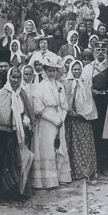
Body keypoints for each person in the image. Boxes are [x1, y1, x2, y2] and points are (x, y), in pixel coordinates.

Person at [0, 67, 35, 197]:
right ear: (8, 77)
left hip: (21, 133)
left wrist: (26, 118)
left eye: (18, 77)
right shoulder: (2, 93)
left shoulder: (22, 93)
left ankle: (20, 191)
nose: (15, 80)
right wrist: (9, 122)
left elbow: (28, 110)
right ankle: (5, 192)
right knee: (7, 162)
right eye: (13, 77)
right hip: (7, 134)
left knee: (20, 161)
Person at [82, 41, 108, 175]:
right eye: (98, 50)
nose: (100, 52)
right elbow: (83, 85)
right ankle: (95, 165)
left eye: (103, 49)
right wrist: (92, 91)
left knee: (107, 136)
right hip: (93, 104)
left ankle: (106, 164)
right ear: (93, 51)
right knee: (95, 134)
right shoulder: (88, 68)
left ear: (106, 51)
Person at [31, 56, 72, 188]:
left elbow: (65, 105)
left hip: (60, 119)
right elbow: (38, 109)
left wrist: (62, 118)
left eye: (54, 71)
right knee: (48, 147)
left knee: (60, 147)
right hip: (47, 121)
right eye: (49, 71)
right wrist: (53, 119)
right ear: (44, 71)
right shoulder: (40, 87)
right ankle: (48, 180)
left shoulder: (60, 85)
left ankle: (61, 177)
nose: (51, 73)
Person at [63, 60, 98, 182]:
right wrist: (70, 111)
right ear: (71, 70)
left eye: (79, 69)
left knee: (86, 146)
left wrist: (83, 114)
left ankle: (88, 170)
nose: (77, 71)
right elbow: (65, 99)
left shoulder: (85, 82)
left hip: (84, 119)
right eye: (74, 69)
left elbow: (89, 101)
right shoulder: (67, 83)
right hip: (72, 120)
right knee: (74, 146)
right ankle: (76, 171)